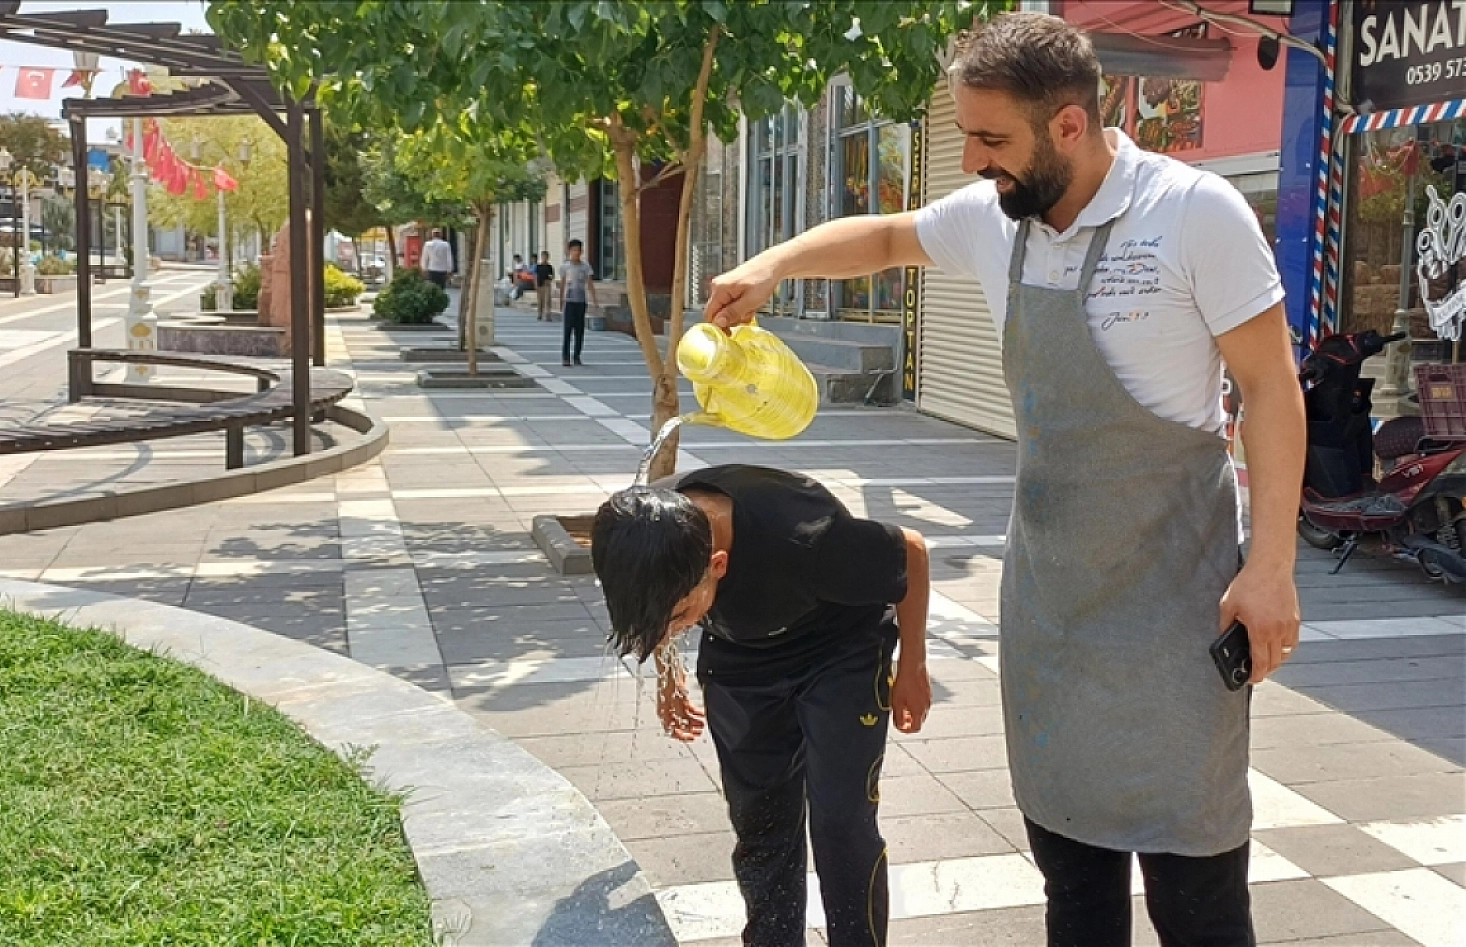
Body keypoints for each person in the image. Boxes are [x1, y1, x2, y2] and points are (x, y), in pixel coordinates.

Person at [703, 13, 1305, 946]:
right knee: (1074, 883)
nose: (975, 160)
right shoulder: (996, 221)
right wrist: (770, 265)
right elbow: (887, 235)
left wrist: (1270, 568)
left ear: (1070, 125)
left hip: (1180, 610)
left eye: (992, 140)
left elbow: (1272, 389)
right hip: (1052, 611)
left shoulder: (1194, 214)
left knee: (1199, 892)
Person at [591, 466, 932, 946]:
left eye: (683, 615)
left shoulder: (807, 540)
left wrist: (913, 667)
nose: (674, 628)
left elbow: (911, 551)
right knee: (761, 822)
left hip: (838, 651)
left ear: (719, 565)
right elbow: (656, 610)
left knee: (840, 821)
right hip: (741, 660)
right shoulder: (637, 530)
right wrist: (670, 678)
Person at [557, 239, 597, 367]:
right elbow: (562, 284)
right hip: (569, 301)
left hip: (581, 301)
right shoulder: (565, 267)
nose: (576, 253)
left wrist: (594, 299)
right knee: (567, 330)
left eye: (578, 250)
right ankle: (565, 357)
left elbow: (589, 283)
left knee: (579, 330)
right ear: (569, 251)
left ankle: (577, 356)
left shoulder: (585, 267)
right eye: (574, 250)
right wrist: (561, 300)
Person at [534, 250, 557, 321]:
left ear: (548, 257)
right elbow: (535, 276)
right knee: (540, 301)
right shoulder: (538, 266)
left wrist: (550, 280)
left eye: (546, 257)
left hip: (546, 285)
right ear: (541, 257)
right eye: (543, 256)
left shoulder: (550, 267)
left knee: (547, 300)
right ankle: (539, 314)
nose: (544, 258)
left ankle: (548, 314)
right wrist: (535, 285)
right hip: (539, 284)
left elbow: (552, 276)